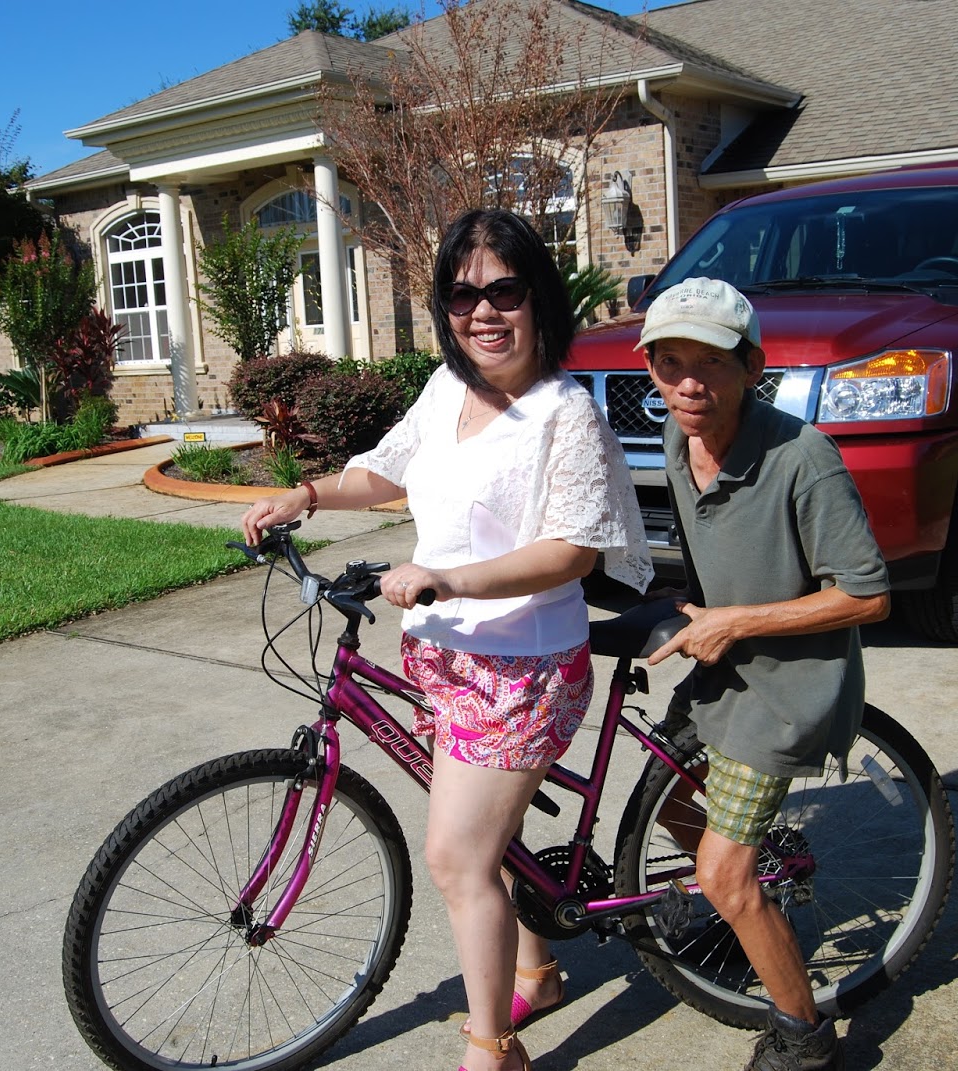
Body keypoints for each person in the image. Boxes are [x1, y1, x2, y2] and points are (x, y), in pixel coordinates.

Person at [242, 208, 650, 1071]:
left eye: (505, 290)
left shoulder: (564, 412)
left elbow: (572, 550)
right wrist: (305, 495)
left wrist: (449, 578)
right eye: (463, 296)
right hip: (441, 652)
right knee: (489, 837)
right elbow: (383, 470)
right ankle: (535, 973)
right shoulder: (445, 388)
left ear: (540, 299)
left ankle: (493, 1048)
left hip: (524, 667)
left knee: (458, 854)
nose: (484, 312)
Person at [636, 278, 891, 1071]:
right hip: (721, 665)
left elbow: (868, 594)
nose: (688, 384)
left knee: (721, 871)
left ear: (753, 366)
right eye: (669, 362)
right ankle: (744, 905)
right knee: (666, 803)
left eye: (710, 363)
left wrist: (736, 620)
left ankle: (805, 1036)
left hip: (786, 688)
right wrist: (698, 608)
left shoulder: (803, 458)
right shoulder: (678, 437)